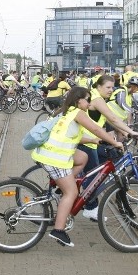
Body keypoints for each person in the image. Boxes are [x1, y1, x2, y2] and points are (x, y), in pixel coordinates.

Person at [31, 86, 124, 247]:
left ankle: (63, 185)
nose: (89, 103)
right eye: (87, 99)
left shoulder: (68, 112)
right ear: (78, 100)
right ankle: (58, 230)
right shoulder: (78, 113)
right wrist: (114, 142)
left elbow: (76, 136)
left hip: (53, 154)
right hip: (54, 157)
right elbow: (96, 128)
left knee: (83, 157)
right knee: (72, 192)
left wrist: (94, 141)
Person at [77, 75, 138, 221]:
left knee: (104, 165)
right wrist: (131, 132)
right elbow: (112, 118)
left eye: (112, 87)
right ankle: (90, 207)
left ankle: (78, 192)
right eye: (108, 87)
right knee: (94, 176)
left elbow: (106, 121)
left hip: (92, 141)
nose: (111, 90)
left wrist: (125, 132)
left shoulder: (96, 97)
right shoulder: (96, 99)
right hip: (87, 143)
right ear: (98, 86)